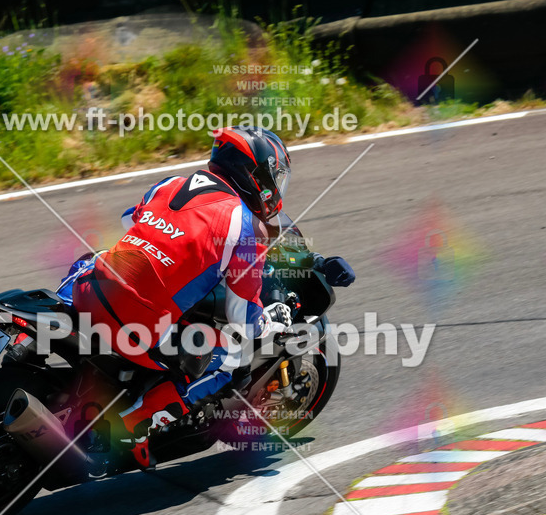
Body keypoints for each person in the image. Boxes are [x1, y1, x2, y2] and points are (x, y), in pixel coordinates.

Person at [57, 126, 353, 468]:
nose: (275, 187)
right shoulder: (240, 225)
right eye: (274, 177)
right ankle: (132, 426)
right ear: (254, 175)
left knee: (97, 256)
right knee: (229, 354)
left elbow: (132, 220)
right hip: (135, 325)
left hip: (86, 292)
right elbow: (244, 319)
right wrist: (273, 320)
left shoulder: (171, 184)